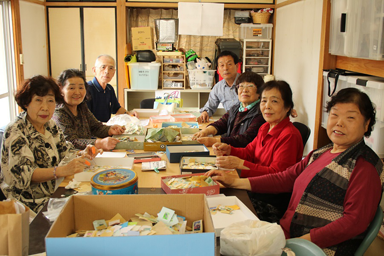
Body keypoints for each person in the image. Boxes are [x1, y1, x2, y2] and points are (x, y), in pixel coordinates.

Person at [206, 87, 383, 255]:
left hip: (316, 249)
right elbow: (286, 177)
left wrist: (300, 242)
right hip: (287, 234)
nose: (339, 123)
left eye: (350, 118)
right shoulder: (322, 152)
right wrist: (235, 182)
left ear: (367, 124)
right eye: (334, 115)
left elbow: (354, 223)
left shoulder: (364, 166)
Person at [0, 75, 100, 213]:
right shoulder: (16, 130)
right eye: (38, 100)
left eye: (50, 101)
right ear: (26, 103)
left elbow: (65, 150)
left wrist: (82, 153)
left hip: (54, 191)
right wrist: (61, 171)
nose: (45, 107)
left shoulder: (50, 125)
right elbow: (23, 176)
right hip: (27, 202)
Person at [212, 80, 303, 221]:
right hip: (253, 186)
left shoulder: (289, 135)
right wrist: (229, 150)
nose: (267, 106)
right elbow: (249, 152)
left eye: (274, 101)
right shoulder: (265, 127)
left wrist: (240, 164)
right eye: (264, 101)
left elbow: (277, 176)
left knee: (218, 211)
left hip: (270, 200)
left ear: (287, 107)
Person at [53, 69, 126, 151]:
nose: (77, 92)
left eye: (81, 87)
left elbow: (95, 127)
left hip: (86, 156)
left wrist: (110, 130)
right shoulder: (58, 112)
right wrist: (99, 143)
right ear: (61, 89)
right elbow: (70, 141)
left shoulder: (81, 106)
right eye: (72, 88)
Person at [192, 71, 266, 147]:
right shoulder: (236, 108)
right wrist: (205, 131)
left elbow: (246, 139)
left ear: (259, 91)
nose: (244, 90)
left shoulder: (261, 113)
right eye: (241, 86)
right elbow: (222, 123)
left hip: (243, 155)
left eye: (250, 86)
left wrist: (215, 141)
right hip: (231, 151)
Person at [87, 54, 137, 122]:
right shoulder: (87, 89)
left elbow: (116, 109)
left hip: (105, 129)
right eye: (103, 67)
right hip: (94, 130)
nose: (107, 71)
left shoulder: (109, 89)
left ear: (114, 72)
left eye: (111, 68)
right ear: (94, 70)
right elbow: (86, 119)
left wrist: (129, 114)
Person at [197, 51, 240, 123]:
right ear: (218, 69)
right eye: (222, 65)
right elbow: (210, 106)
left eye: (229, 64)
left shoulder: (246, 83)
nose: (225, 68)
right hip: (231, 123)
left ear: (237, 66)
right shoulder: (218, 87)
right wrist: (205, 112)